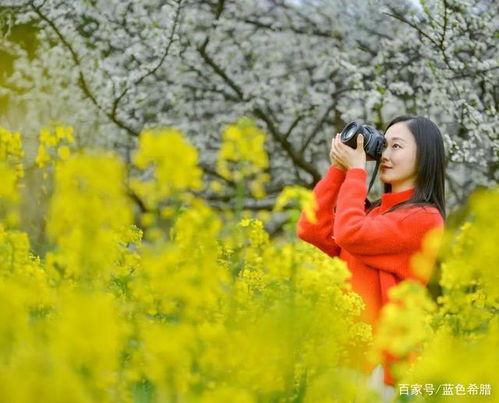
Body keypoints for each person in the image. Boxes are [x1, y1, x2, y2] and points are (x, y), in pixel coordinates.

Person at [296, 116, 446, 397]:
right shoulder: (374, 213)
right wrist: (339, 170)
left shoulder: (425, 218)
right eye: (383, 145)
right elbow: (311, 228)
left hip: (379, 365)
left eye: (397, 147)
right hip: (342, 353)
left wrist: (356, 172)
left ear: (425, 156)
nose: (384, 155)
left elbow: (350, 233)